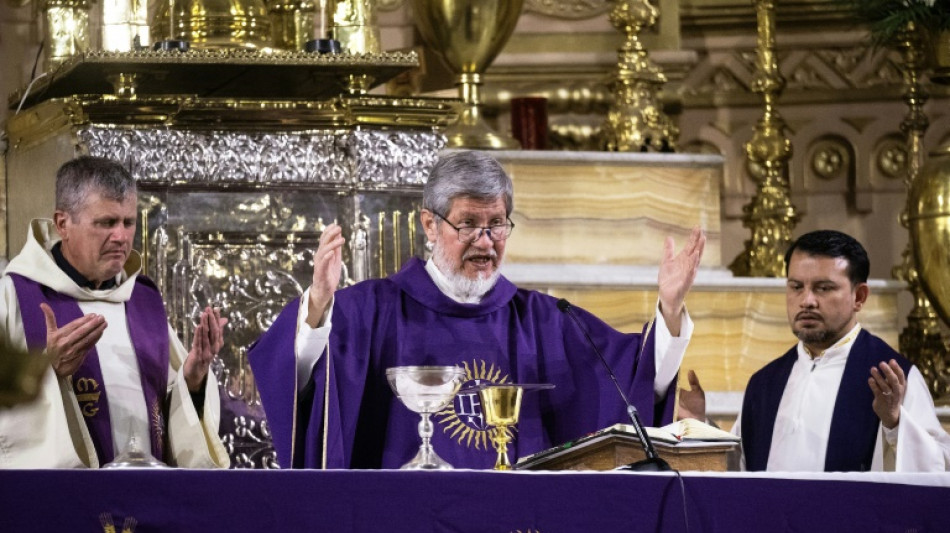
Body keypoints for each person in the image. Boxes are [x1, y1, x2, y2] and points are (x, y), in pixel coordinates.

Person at [250, 150, 706, 469]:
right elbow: (299, 385)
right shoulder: (370, 311)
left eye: (497, 224)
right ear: (429, 223)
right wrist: (317, 306)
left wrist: (669, 307)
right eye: (468, 223)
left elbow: (631, 382)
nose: (485, 241)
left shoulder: (546, 320)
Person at [0, 156, 230, 469]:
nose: (121, 237)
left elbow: (174, 420)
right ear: (63, 223)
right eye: (106, 222)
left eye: (128, 222)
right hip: (63, 501)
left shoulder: (141, 300)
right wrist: (43, 372)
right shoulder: (14, 297)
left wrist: (193, 376)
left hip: (145, 496)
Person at [680, 229, 950, 471]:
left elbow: (938, 467)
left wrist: (895, 424)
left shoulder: (892, 377)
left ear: (859, 297)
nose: (807, 301)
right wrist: (703, 428)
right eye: (796, 287)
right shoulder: (765, 383)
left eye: (823, 288)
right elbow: (743, 469)